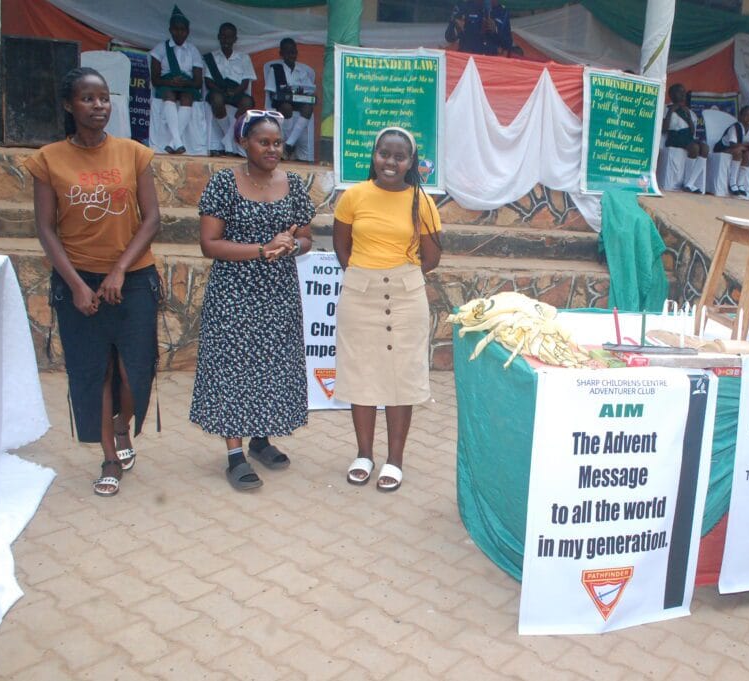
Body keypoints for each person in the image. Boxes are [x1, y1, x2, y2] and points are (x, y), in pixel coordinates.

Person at [25, 67, 161, 497]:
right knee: (94, 372)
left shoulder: (134, 153)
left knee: (134, 370)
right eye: (87, 98)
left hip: (133, 277)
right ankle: (109, 458)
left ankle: (122, 425)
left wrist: (119, 270)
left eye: (103, 98)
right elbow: (45, 228)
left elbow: (152, 219)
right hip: (77, 279)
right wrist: (77, 286)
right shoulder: (48, 160)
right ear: (69, 105)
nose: (98, 106)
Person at [190, 110, 316, 491]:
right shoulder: (224, 184)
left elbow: (306, 238)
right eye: (263, 142)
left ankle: (260, 441)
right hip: (234, 292)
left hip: (278, 293)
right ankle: (234, 454)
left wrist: (292, 246)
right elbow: (209, 244)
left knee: (272, 364)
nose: (272, 149)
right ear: (243, 142)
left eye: (277, 143)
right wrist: (262, 249)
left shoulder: (293, 184)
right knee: (234, 366)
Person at [332, 127, 443, 492]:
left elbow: (431, 257)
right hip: (360, 295)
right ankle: (364, 455)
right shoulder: (353, 196)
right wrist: (366, 275)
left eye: (399, 156)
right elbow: (342, 247)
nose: (390, 162)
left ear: (411, 162)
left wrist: (398, 277)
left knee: (401, 378)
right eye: (384, 154)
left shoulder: (421, 202)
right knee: (361, 375)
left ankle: (395, 460)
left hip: (406, 297)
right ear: (374, 155)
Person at [149, 5, 203, 154]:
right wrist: (170, 82)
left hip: (187, 86)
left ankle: (173, 142)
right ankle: (178, 142)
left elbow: (198, 82)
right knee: (169, 95)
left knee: (187, 98)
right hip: (166, 84)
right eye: (176, 29)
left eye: (183, 30)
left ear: (188, 31)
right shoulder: (160, 48)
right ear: (170, 30)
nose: (179, 33)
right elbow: (155, 79)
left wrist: (186, 83)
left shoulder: (193, 51)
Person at [203, 22, 256, 157]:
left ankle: (228, 138)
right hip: (218, 90)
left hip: (237, 91)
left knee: (248, 102)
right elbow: (208, 81)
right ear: (218, 37)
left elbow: (246, 82)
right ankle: (230, 138)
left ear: (235, 39)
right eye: (223, 36)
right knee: (217, 99)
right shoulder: (211, 57)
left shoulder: (243, 58)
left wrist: (235, 92)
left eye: (230, 37)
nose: (226, 40)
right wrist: (221, 91)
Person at [264, 39, 317, 161]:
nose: (290, 55)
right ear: (281, 54)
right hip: (281, 102)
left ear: (296, 53)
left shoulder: (302, 71)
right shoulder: (276, 69)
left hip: (298, 101)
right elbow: (271, 91)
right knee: (286, 108)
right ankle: (287, 142)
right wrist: (284, 91)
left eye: (293, 52)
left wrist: (301, 91)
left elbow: (309, 90)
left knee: (308, 108)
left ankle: (289, 144)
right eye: (287, 53)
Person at [662, 83, 708, 193]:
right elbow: (664, 129)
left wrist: (688, 116)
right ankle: (688, 182)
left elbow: (692, 131)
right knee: (694, 148)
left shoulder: (689, 111)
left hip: (687, 136)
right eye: (680, 92)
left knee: (705, 148)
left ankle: (689, 183)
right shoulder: (665, 108)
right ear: (671, 94)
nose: (683, 94)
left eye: (684, 92)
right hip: (674, 137)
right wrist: (671, 111)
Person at [714, 104, 749, 196]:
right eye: (746, 115)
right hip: (724, 148)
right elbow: (733, 145)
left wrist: (745, 146)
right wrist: (746, 145)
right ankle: (732, 183)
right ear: (741, 116)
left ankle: (740, 183)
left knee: (748, 154)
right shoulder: (735, 127)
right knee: (738, 151)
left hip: (741, 148)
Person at [445, 1, 513, 56]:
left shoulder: (502, 12)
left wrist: (496, 30)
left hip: (491, 61)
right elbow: (449, 38)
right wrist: (457, 26)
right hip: (469, 60)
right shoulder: (464, 6)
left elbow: (508, 45)